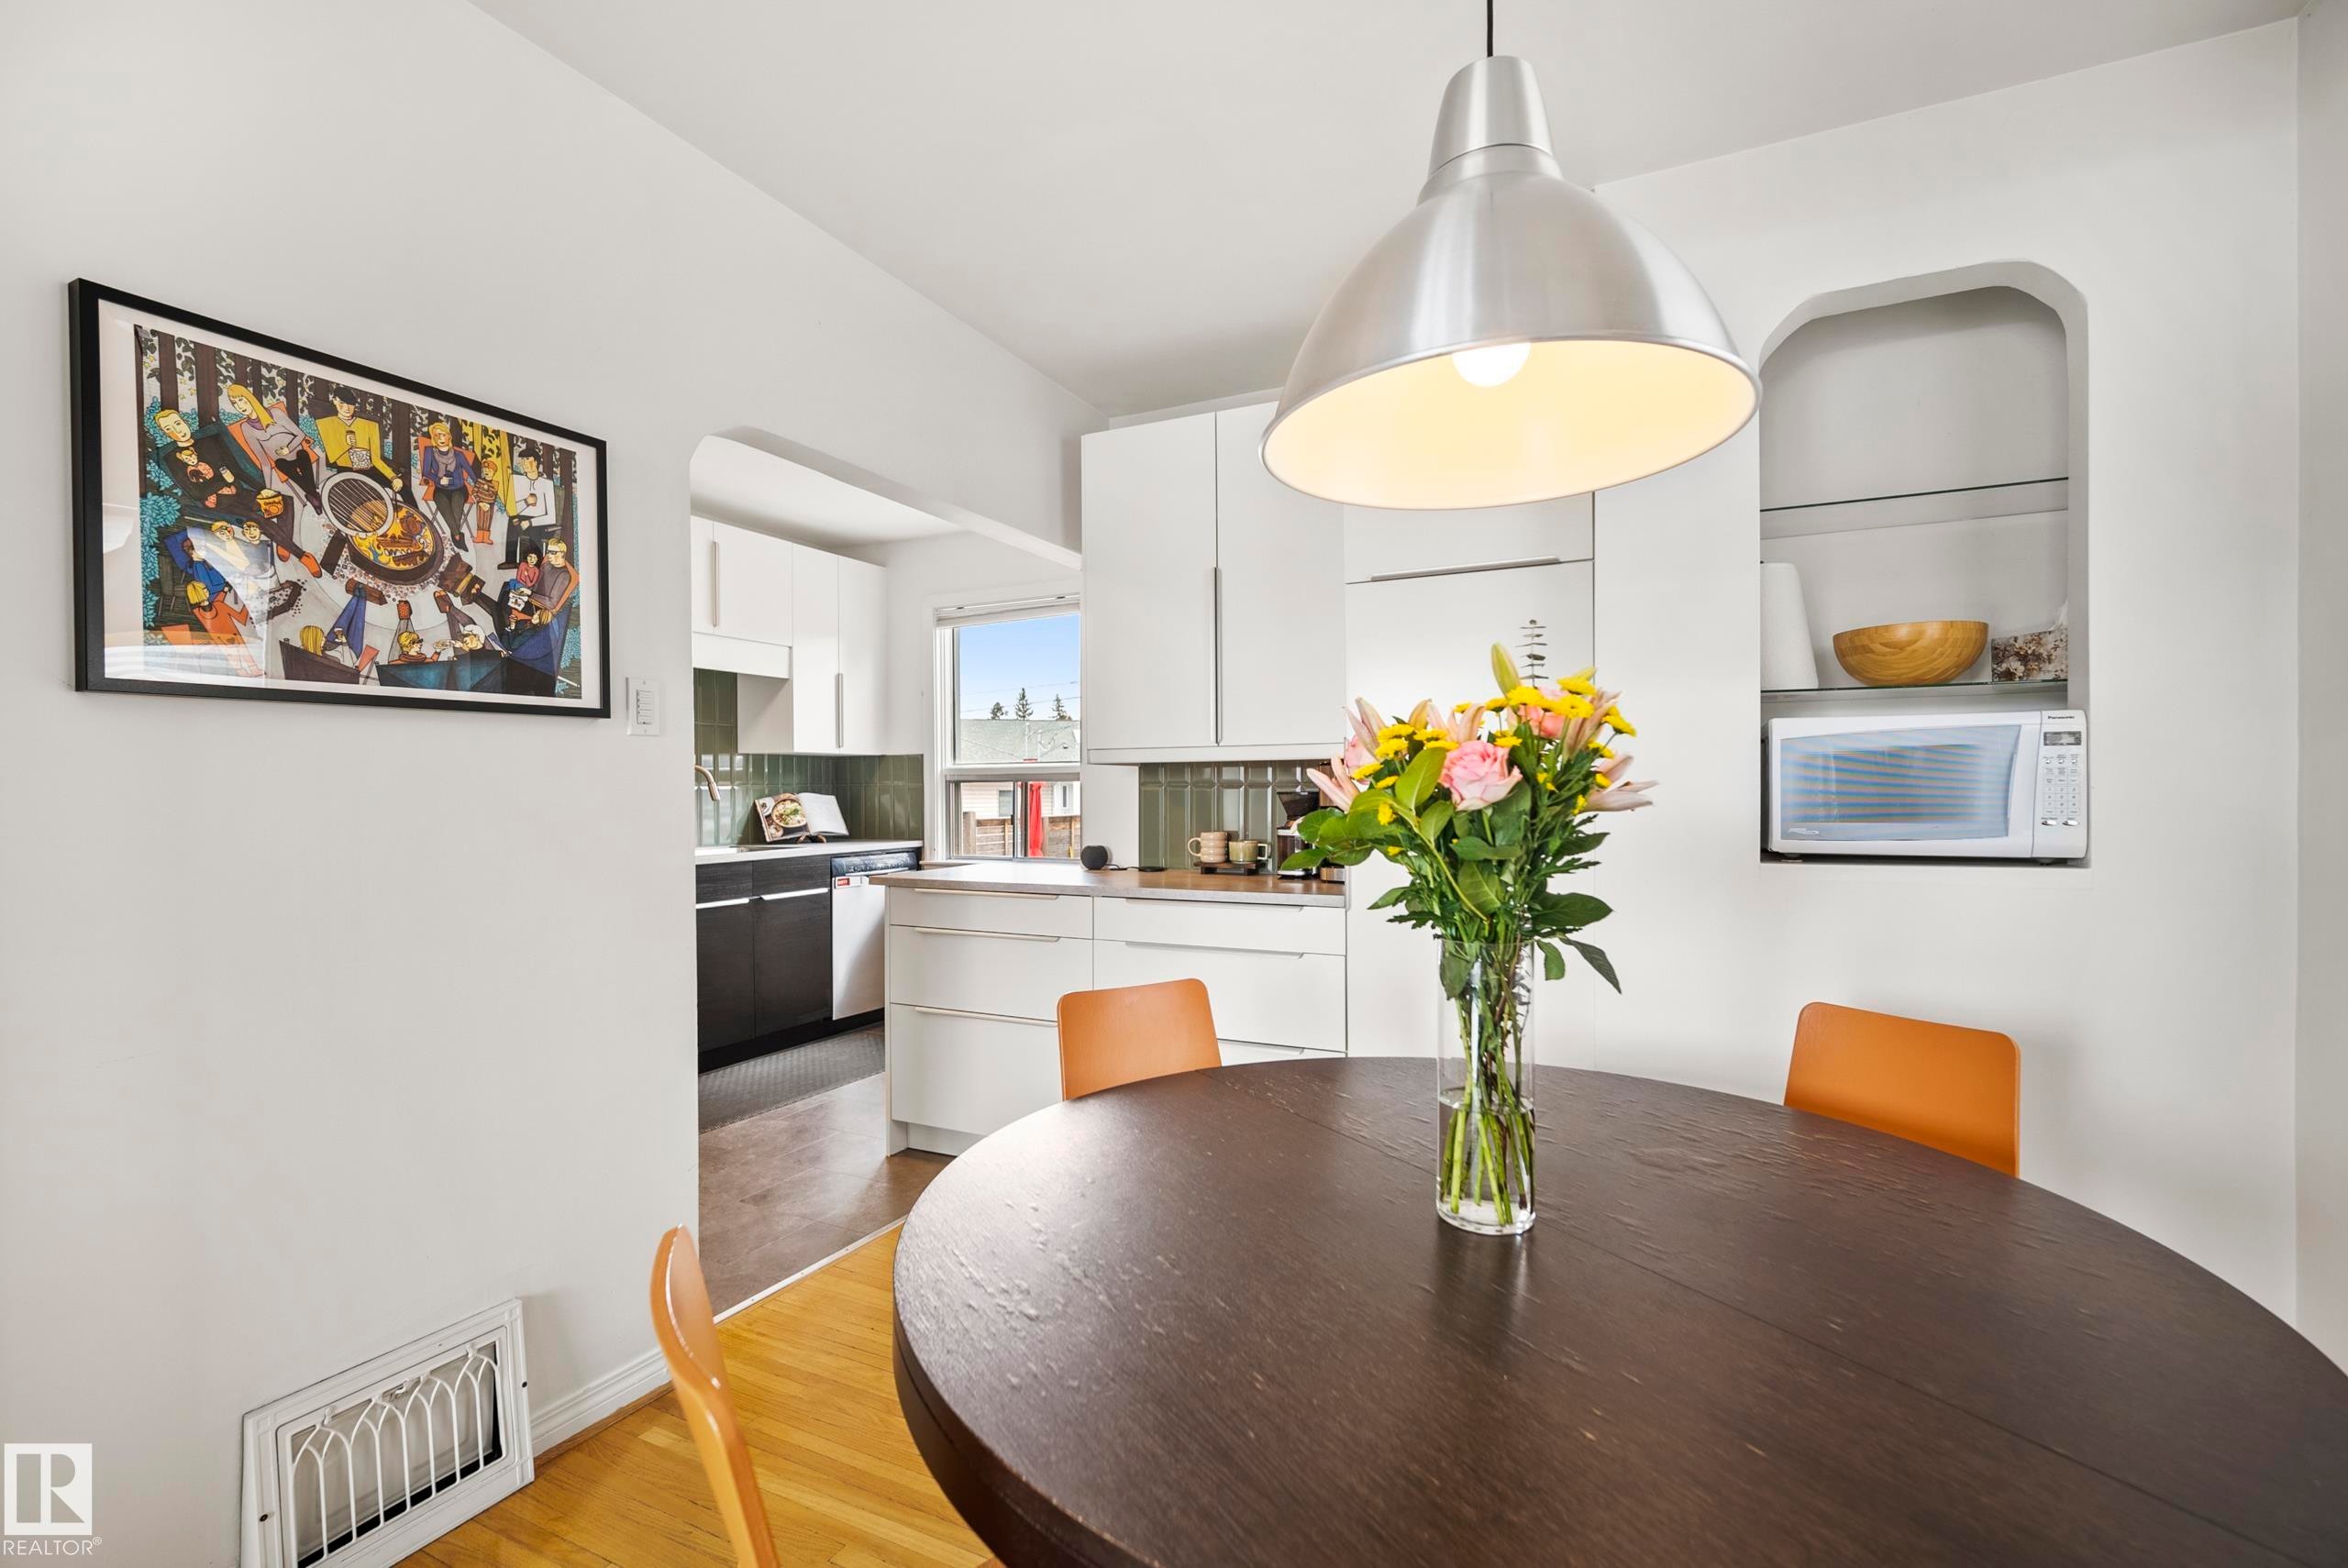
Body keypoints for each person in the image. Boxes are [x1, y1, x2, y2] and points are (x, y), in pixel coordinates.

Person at [222, 382, 326, 513]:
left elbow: (300, 434)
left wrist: (288, 449)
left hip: (298, 453)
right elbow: (264, 461)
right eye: (235, 403)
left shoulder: (275, 413)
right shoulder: (246, 428)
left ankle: (312, 495)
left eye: (241, 400)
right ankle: (313, 494)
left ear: (250, 398)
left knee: (303, 454)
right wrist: (268, 488)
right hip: (283, 464)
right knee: (280, 463)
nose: (240, 406)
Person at [152, 407, 256, 516]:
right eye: (168, 429)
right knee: (255, 518)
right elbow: (195, 494)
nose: (177, 431)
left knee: (262, 503)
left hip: (238, 491)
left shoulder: (211, 442)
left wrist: (261, 489)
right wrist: (226, 481)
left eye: (178, 424)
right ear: (165, 433)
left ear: (185, 422)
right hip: (217, 504)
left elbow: (237, 470)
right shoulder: (172, 459)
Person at [316, 387, 402, 492]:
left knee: (404, 490)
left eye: (351, 404)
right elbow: (332, 457)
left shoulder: (369, 425)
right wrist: (346, 444)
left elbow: (376, 459)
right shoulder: (326, 424)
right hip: (346, 472)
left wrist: (393, 477)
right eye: (342, 403)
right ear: (334, 401)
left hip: (370, 471)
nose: (347, 408)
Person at [414, 422, 479, 550]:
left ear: (449, 437)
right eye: (436, 435)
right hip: (440, 490)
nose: (440, 438)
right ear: (433, 438)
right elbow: (426, 472)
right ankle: (457, 536)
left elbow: (471, 473)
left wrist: (478, 488)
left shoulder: (459, 455)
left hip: (459, 489)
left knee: (456, 506)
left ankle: (456, 537)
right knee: (444, 506)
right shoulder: (429, 452)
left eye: (443, 435)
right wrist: (439, 480)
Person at [501, 448, 557, 569]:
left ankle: (536, 564)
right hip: (521, 517)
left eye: (527, 459)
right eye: (522, 460)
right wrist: (526, 502)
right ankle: (510, 561)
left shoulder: (547, 484)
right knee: (513, 521)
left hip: (541, 521)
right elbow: (510, 510)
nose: (524, 463)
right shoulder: (515, 479)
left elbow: (551, 517)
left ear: (536, 462)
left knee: (534, 531)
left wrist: (530, 522)